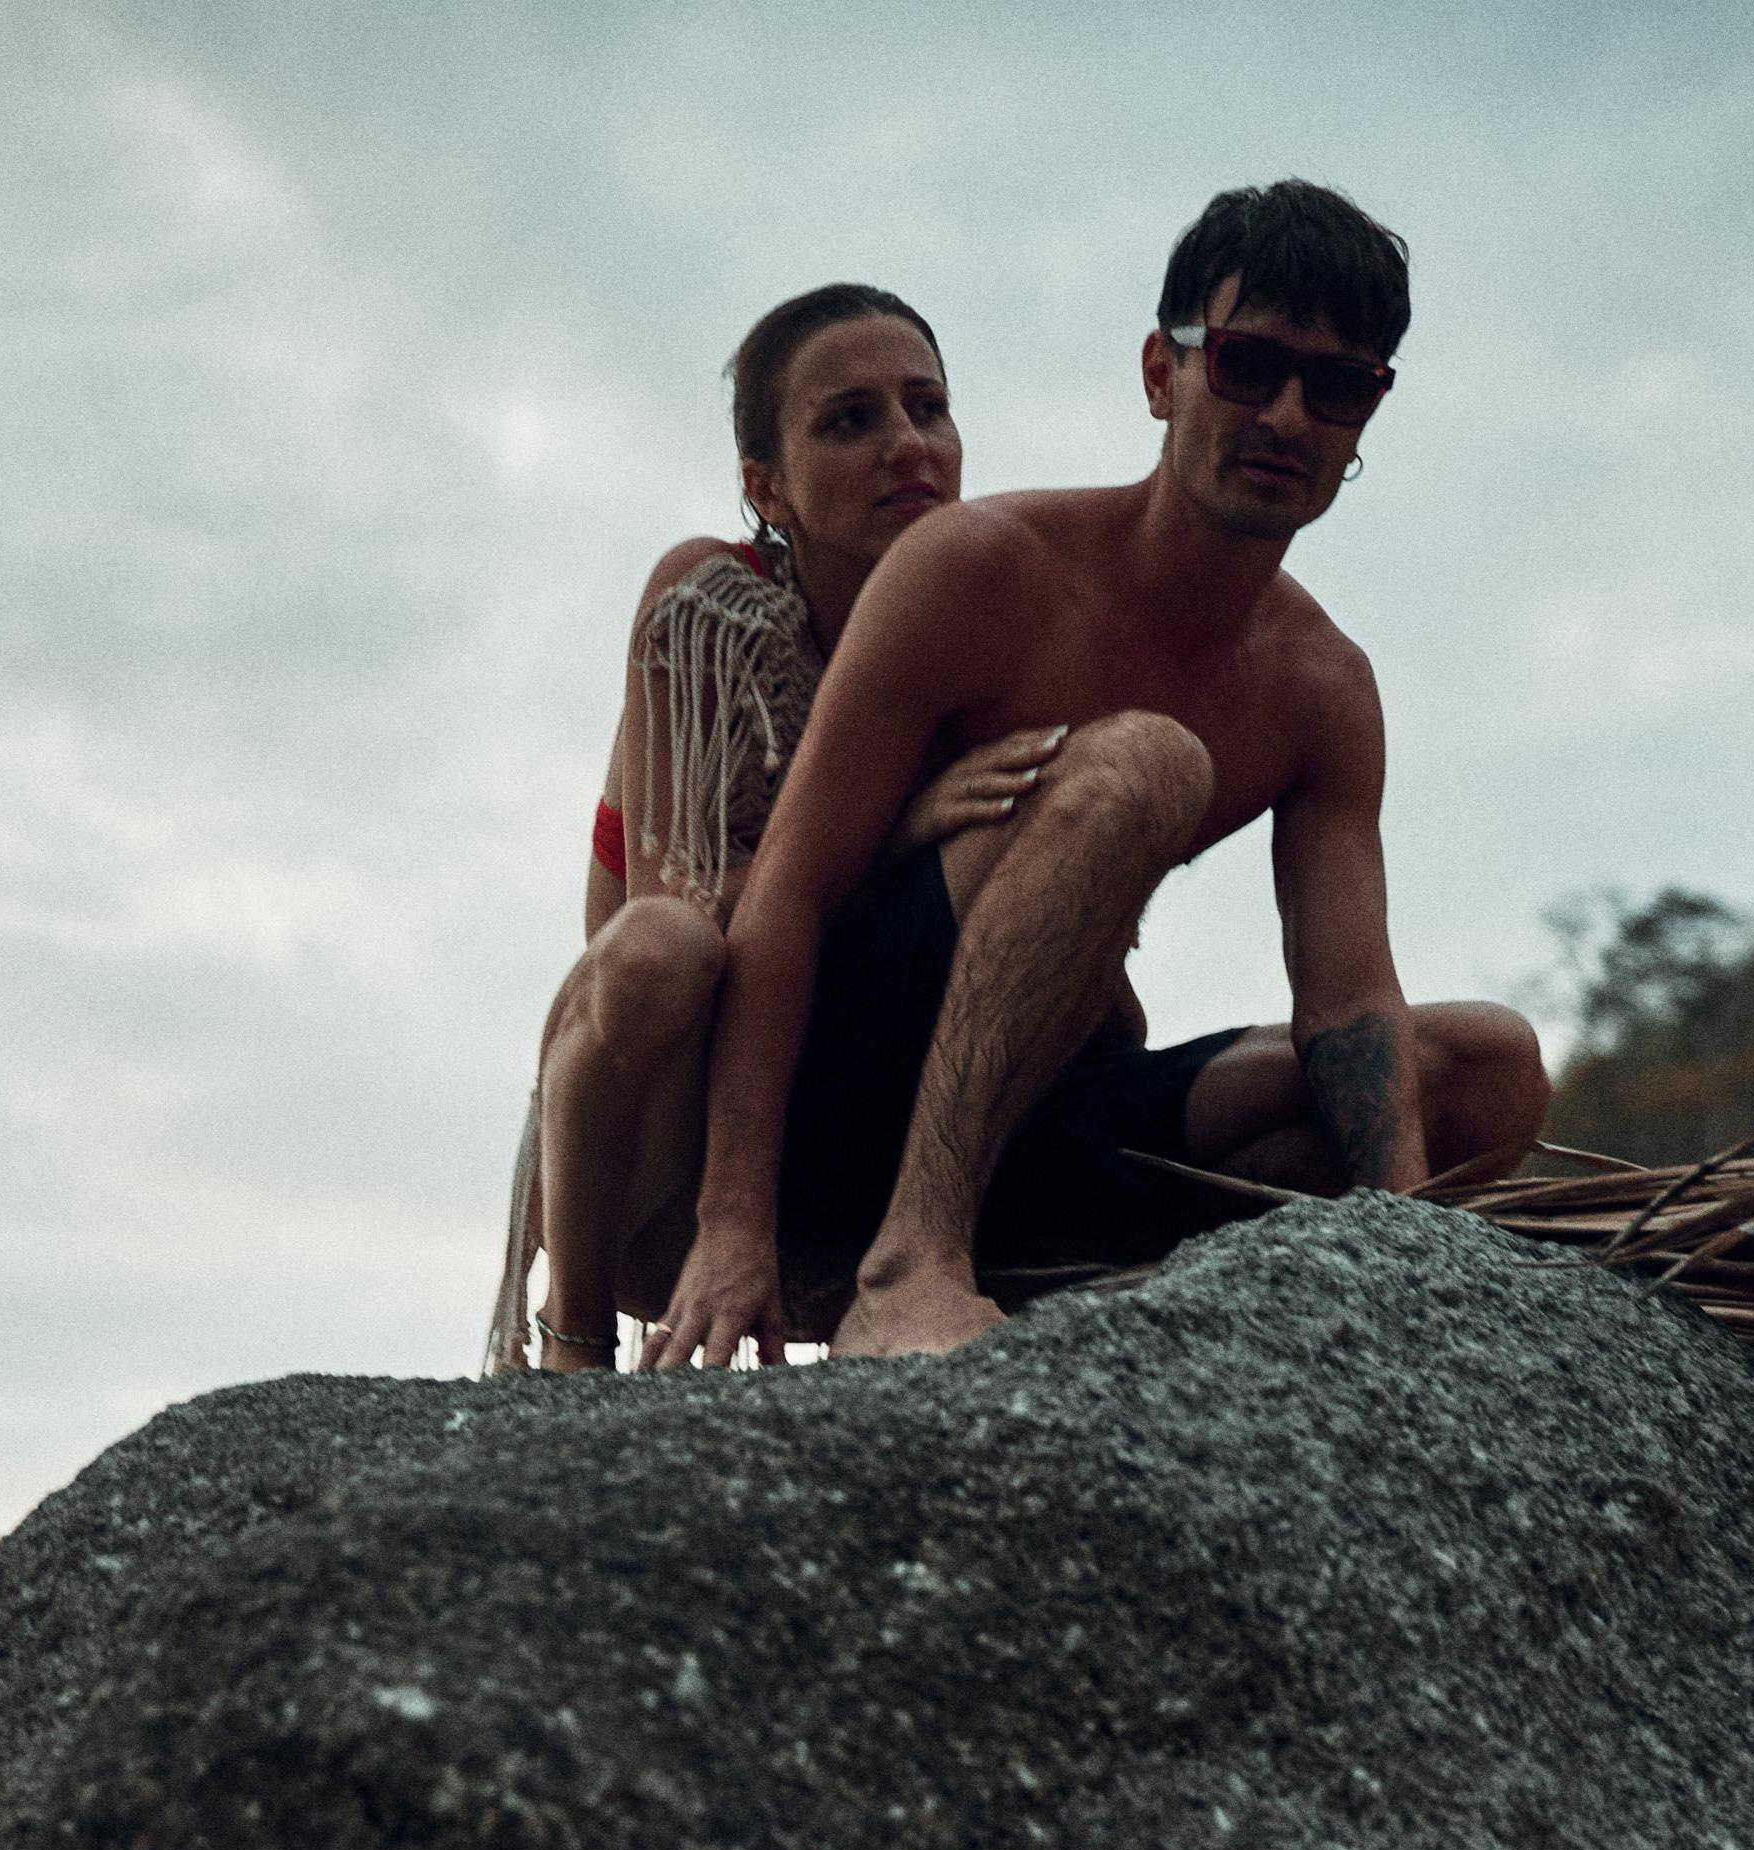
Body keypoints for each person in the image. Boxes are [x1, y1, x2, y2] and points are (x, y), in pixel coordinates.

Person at [641, 177, 1550, 1370]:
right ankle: (907, 1263)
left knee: (1488, 1068)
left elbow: (1345, 1001)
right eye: (1245, 364)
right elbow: (789, 896)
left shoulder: (1320, 685)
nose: (1285, 415)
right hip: (840, 1099)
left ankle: (1069, 1279)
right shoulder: (977, 567)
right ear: (1159, 374)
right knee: (1145, 766)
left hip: (1042, 1120)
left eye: (1335, 386)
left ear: (1366, 416)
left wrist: (1407, 1241)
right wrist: (728, 1224)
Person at [486, 282, 1059, 1371]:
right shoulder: (716, 605)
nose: (906, 445)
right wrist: (894, 831)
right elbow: (671, 910)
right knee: (666, 954)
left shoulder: (980, 635)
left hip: (862, 1114)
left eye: (926, 408)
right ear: (766, 485)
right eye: (850, 420)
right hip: (666, 1129)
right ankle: (572, 1333)